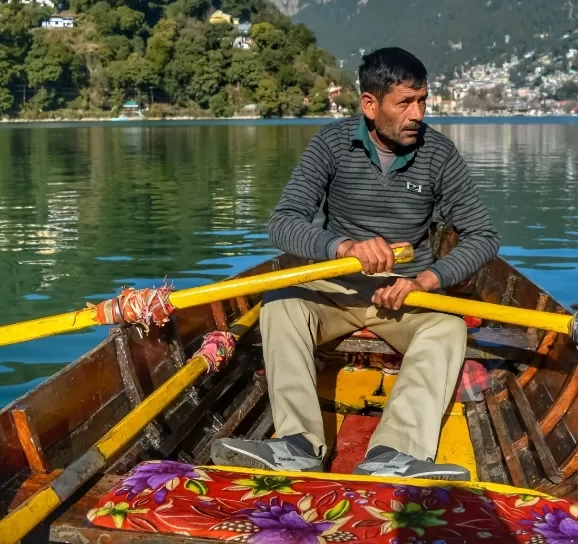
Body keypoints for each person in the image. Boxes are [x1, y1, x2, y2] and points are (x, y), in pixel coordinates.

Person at [211, 47, 500, 480]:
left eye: (422, 100)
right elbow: (283, 224)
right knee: (280, 304)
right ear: (369, 104)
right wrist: (343, 248)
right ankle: (298, 444)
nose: (417, 113)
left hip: (405, 296)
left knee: (448, 327)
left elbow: (484, 236)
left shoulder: (439, 154)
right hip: (336, 290)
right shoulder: (331, 144)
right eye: (404, 102)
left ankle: (394, 454)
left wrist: (428, 277)